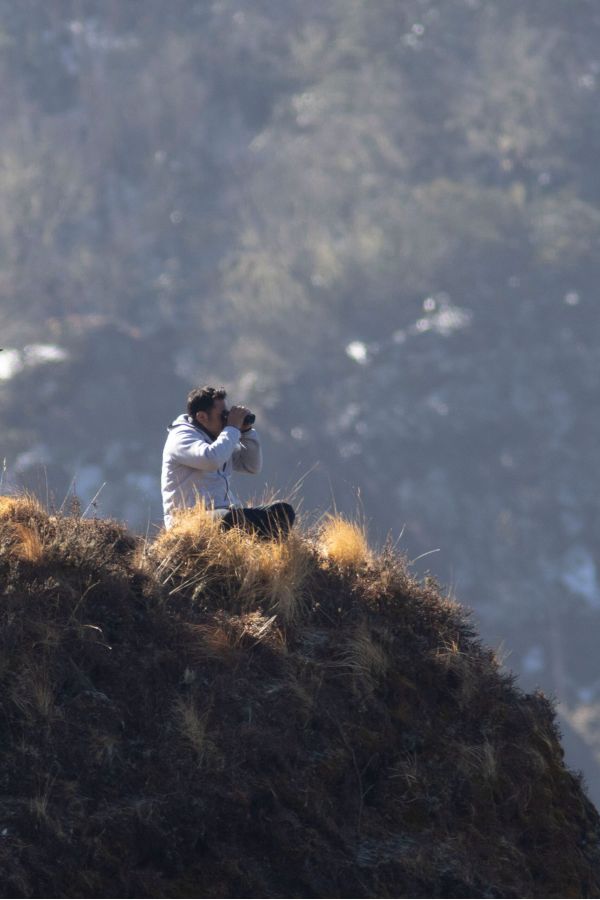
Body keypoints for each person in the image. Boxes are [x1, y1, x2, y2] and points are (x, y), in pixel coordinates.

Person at [161, 385, 295, 538]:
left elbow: (251, 466)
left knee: (282, 512)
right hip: (188, 521)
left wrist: (246, 431)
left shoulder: (218, 436)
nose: (226, 419)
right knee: (232, 520)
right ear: (202, 417)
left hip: (224, 513)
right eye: (222, 415)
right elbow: (211, 459)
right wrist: (232, 428)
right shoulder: (181, 437)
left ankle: (266, 555)